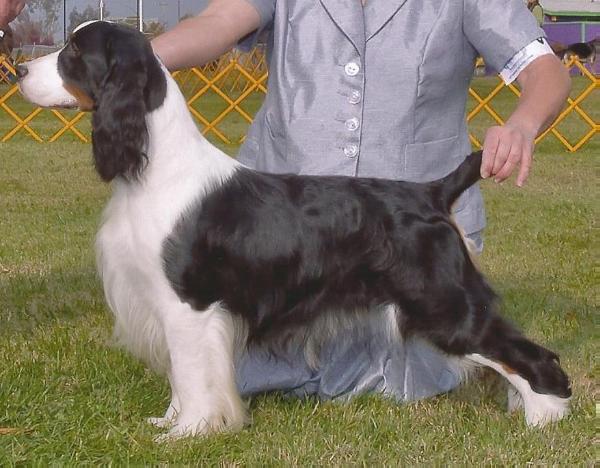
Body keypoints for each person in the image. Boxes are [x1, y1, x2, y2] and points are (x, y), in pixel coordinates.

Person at [151, 0, 570, 403]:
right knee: (240, 367)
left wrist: (523, 123)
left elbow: (546, 70)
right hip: (287, 242)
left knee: (433, 351)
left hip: (408, 231)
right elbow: (219, 20)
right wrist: (134, 56)